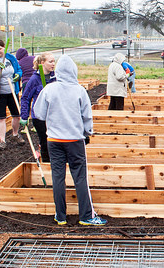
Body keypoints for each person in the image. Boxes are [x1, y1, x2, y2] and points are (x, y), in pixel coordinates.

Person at [32, 54, 107, 226]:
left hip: (54, 140)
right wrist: (87, 133)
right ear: (74, 71)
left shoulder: (49, 89)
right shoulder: (79, 90)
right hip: (74, 141)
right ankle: (86, 216)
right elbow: (87, 116)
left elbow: (39, 113)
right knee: (80, 177)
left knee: (58, 177)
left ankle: (60, 216)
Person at [20, 52, 56, 162]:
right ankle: (46, 163)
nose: (53, 64)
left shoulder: (55, 77)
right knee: (45, 141)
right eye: (50, 62)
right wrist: (24, 116)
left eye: (54, 61)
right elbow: (25, 98)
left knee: (55, 141)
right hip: (39, 117)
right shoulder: (34, 80)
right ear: (42, 63)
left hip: (53, 115)